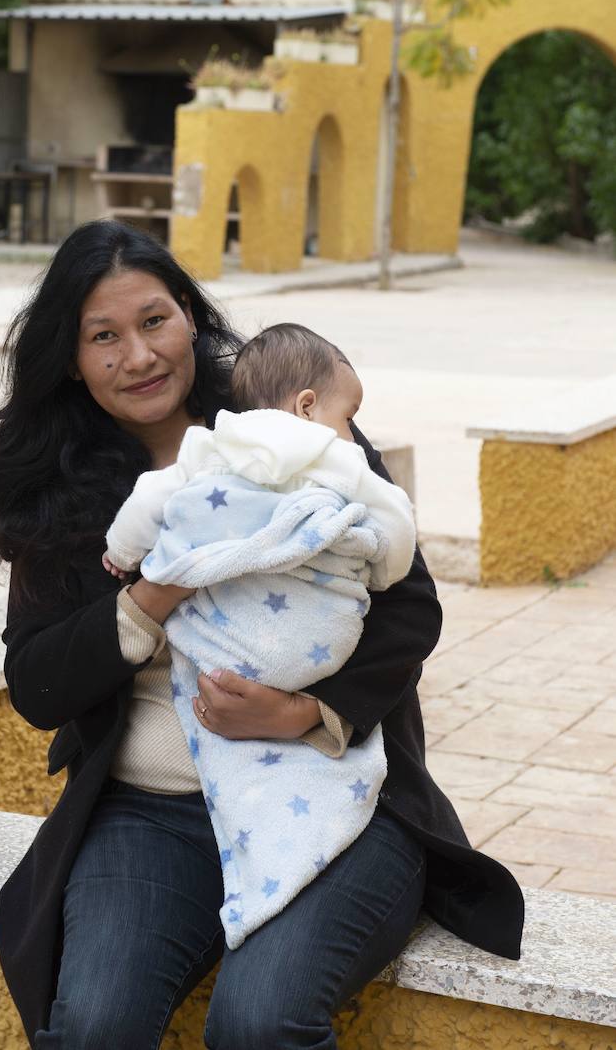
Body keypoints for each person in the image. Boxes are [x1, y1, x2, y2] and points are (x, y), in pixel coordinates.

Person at [0, 220, 523, 1050]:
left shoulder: (283, 412)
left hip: (332, 797)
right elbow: (38, 686)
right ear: (73, 357)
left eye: (154, 321)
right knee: (91, 1028)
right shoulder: (59, 486)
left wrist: (307, 714)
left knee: (258, 1024)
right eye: (103, 337)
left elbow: (409, 606)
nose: (138, 356)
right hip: (149, 816)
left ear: (189, 315)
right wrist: (152, 594)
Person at [100, 324, 418, 946]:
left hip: (228, 653)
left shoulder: (213, 444)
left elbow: (151, 497)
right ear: (306, 405)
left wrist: (122, 552)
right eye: (347, 415)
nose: (351, 431)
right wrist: (380, 565)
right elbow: (393, 521)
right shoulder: (337, 457)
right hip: (318, 639)